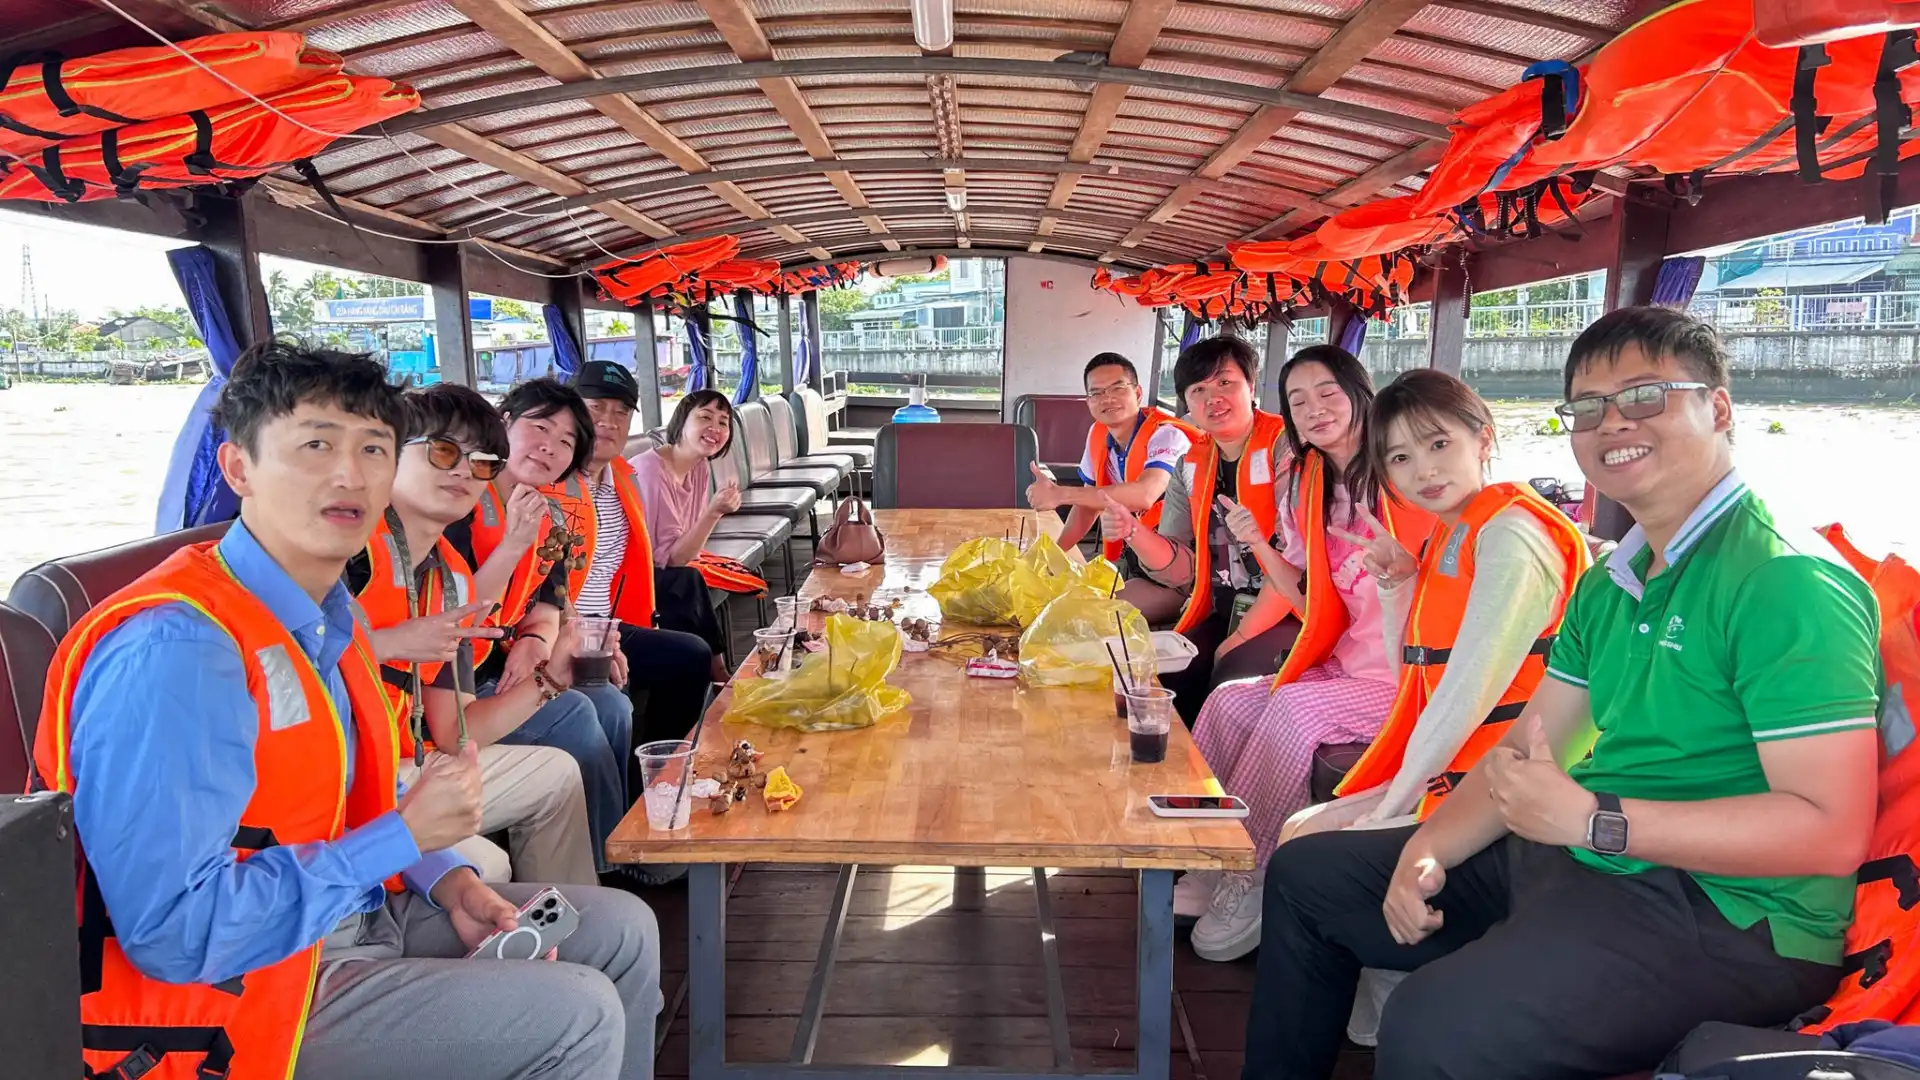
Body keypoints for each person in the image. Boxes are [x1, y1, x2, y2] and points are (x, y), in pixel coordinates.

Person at [1243, 307, 1880, 1080]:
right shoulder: (1612, 584)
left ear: (1718, 408)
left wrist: (1593, 820)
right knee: (1312, 879)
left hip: (1732, 916)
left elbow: (1827, 832)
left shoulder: (1784, 579)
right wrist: (1425, 846)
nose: (1612, 423)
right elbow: (1524, 749)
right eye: (1586, 408)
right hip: (1585, 855)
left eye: (1644, 396)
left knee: (1434, 1027)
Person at [34, 341, 660, 1080]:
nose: (348, 473)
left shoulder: (321, 619)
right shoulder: (178, 651)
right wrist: (398, 837)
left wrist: (448, 881)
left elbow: (337, 800)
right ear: (239, 469)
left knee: (621, 928)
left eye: (372, 449)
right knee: (575, 1011)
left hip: (351, 917)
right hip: (239, 995)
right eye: (315, 445)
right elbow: (173, 934)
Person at [1178, 345, 1433, 962]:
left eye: (1327, 393)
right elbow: (1300, 588)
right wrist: (1256, 544)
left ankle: (1254, 874)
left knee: (1295, 714)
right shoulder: (1311, 483)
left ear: (1360, 393)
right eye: (1298, 401)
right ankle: (1210, 851)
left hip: (1410, 674)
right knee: (1229, 704)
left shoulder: (1408, 474)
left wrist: (1407, 571)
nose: (1314, 409)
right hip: (1348, 662)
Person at [347, 382, 599, 887]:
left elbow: (458, 730)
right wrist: (390, 643)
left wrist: (552, 677)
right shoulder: (347, 552)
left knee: (556, 773)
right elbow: (273, 660)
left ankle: (569, 929)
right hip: (343, 775)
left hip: (412, 758)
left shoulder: (451, 577)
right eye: (443, 451)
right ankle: (500, 948)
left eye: (482, 463)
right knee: (488, 865)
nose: (463, 470)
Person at [450, 378, 647, 884]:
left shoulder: (544, 510)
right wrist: (512, 543)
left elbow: (550, 598)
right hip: (454, 681)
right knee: (577, 712)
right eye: (539, 427)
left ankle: (614, 840)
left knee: (611, 701)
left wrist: (538, 641)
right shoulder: (457, 503)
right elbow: (450, 612)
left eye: (565, 442)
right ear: (503, 425)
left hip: (507, 659)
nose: (549, 447)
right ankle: (609, 861)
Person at [1098, 337, 1294, 715]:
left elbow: (1296, 563)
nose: (1212, 398)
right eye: (1199, 389)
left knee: (1228, 679)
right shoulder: (1190, 463)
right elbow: (1181, 571)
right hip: (1220, 608)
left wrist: (1238, 638)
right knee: (1165, 680)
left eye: (1225, 383)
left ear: (1250, 388)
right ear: (1188, 403)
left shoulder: (1284, 448)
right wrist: (1132, 532)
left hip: (1288, 613)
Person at [551, 361, 725, 731]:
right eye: (595, 407)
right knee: (615, 699)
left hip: (616, 623)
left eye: (621, 412)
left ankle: (662, 763)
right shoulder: (551, 482)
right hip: (562, 630)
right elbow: (545, 581)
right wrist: (582, 636)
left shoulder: (624, 481)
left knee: (691, 654)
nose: (609, 421)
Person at [1024, 352, 1195, 559]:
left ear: (1138, 393)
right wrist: (1052, 554)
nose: (1107, 398)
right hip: (1140, 548)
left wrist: (1061, 494)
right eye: (1096, 393)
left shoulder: (1166, 434)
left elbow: (1145, 495)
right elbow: (1087, 507)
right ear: (1088, 402)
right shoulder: (1098, 433)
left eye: (1118, 388)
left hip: (1186, 550)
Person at [631, 389, 746, 572]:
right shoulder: (650, 470)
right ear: (682, 421)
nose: (715, 428)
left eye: (723, 422)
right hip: (637, 575)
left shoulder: (700, 466)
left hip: (670, 569)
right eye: (705, 417)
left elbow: (686, 547)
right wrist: (714, 512)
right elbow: (673, 560)